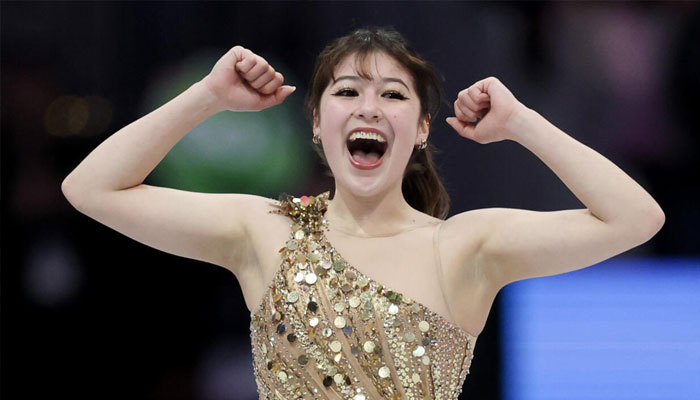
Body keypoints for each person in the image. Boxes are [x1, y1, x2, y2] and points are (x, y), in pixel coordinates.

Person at [62, 27, 665, 399]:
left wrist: (522, 123)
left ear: (422, 129)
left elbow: (635, 218)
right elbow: (91, 189)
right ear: (317, 123)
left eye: (393, 95)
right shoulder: (263, 230)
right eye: (347, 91)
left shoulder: (465, 246)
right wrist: (207, 97)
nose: (368, 108)